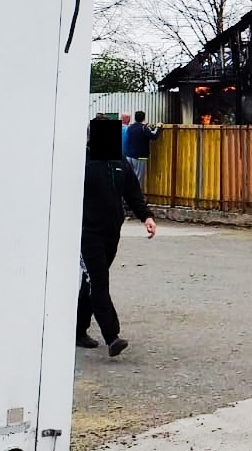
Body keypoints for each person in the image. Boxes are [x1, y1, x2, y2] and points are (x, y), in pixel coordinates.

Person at [79, 117, 157, 357]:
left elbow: (133, 192)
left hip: (112, 232)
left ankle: (78, 329)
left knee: (91, 282)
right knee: (99, 281)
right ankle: (112, 336)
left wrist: (147, 217)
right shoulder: (82, 161)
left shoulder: (119, 162)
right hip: (87, 232)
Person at [124, 111, 160, 183]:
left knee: (130, 177)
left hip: (129, 155)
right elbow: (154, 136)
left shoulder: (130, 127)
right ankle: (136, 194)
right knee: (138, 178)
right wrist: (158, 127)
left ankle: (128, 193)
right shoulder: (144, 128)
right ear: (143, 118)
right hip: (140, 156)